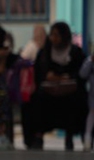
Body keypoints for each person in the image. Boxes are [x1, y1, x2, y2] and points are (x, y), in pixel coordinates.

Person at [31, 21, 87, 151]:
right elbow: (39, 73)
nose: (53, 38)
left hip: (70, 90)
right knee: (37, 99)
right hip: (48, 90)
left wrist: (65, 78)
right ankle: (38, 136)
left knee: (78, 100)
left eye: (57, 35)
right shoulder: (44, 52)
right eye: (52, 35)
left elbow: (81, 74)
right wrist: (49, 77)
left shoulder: (75, 52)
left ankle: (70, 135)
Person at [79, 53, 94, 151]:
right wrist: (91, 61)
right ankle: (87, 139)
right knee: (92, 113)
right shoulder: (90, 60)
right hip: (93, 94)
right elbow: (82, 74)